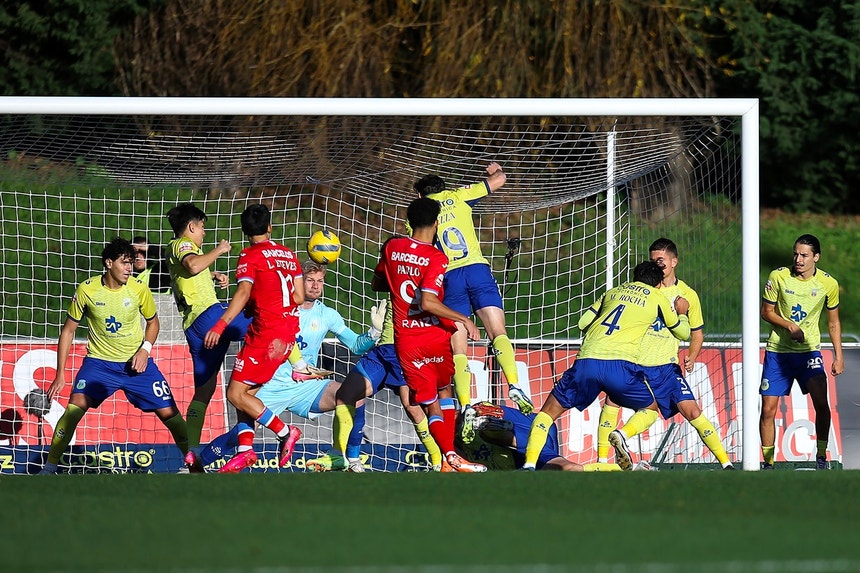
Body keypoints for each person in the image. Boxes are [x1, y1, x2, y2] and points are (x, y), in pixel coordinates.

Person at [186, 259, 385, 472]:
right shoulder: (279, 307)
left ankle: (351, 460)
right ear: (298, 281)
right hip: (270, 385)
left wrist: (374, 332)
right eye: (310, 280)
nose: (316, 285)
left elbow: (356, 345)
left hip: (306, 386)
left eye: (320, 281)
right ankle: (195, 467)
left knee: (353, 394)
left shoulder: (327, 315)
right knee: (238, 435)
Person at [39, 238, 190, 474]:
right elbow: (68, 331)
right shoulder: (87, 290)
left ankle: (195, 466)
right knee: (73, 409)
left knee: (171, 414)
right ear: (109, 263)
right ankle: (49, 468)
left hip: (136, 364)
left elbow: (153, 323)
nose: (130, 268)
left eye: (131, 263)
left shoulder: (139, 288)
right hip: (99, 364)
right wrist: (60, 374)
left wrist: (145, 350)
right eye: (124, 263)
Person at [522, 260, 690, 471]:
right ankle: (623, 434)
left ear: (634, 277)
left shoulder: (612, 292)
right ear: (658, 284)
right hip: (620, 365)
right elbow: (683, 333)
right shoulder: (658, 297)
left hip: (587, 361)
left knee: (547, 413)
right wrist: (682, 312)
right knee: (651, 408)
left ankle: (528, 465)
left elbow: (582, 323)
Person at [370, 197, 486, 472]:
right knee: (443, 392)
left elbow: (377, 283)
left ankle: (449, 458)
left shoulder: (393, 247)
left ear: (409, 222)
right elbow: (428, 303)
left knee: (431, 400)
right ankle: (451, 455)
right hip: (433, 333)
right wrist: (463, 319)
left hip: (407, 340)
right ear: (436, 223)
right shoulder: (436, 257)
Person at [596, 238, 734, 470]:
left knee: (692, 411)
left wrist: (692, 354)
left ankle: (726, 463)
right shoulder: (644, 290)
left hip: (666, 366)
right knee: (612, 400)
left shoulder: (687, 294)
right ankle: (600, 462)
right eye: (652, 261)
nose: (656, 266)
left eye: (660, 261)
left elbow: (696, 333)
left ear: (674, 262)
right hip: (636, 361)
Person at [415, 163, 533, 414]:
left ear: (420, 196)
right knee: (498, 331)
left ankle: (466, 405)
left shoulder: (418, 214)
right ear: (443, 189)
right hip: (477, 270)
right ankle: (514, 385)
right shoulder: (459, 196)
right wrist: (495, 171)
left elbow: (419, 250)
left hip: (447, 277)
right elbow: (501, 179)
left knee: (458, 347)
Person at [201, 204, 306, 474]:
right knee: (245, 396)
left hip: (267, 334)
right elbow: (299, 297)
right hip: (287, 333)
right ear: (270, 227)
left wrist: (220, 325)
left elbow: (244, 291)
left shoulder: (250, 255)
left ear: (244, 231)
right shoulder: (288, 254)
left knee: (234, 393)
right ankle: (245, 451)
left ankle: (285, 431)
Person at [306, 296, 447, 473]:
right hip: (382, 350)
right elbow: (376, 283)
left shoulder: (424, 282)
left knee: (412, 407)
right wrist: (375, 331)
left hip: (406, 349)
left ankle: (439, 461)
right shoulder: (392, 273)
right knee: (347, 394)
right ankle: (344, 457)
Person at [759, 234, 844, 470]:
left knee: (821, 404)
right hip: (778, 352)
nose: (798, 259)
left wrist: (839, 355)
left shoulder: (828, 284)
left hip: (809, 353)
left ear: (816, 257)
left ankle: (820, 456)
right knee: (768, 409)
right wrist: (789, 326)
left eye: (804, 255)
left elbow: (834, 322)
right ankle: (767, 464)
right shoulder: (778, 276)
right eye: (795, 254)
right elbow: (766, 312)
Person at [456, 401, 638, 471]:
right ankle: (627, 470)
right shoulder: (451, 446)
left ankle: (490, 425)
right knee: (568, 469)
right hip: (530, 438)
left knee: (567, 468)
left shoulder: (448, 439)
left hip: (529, 437)